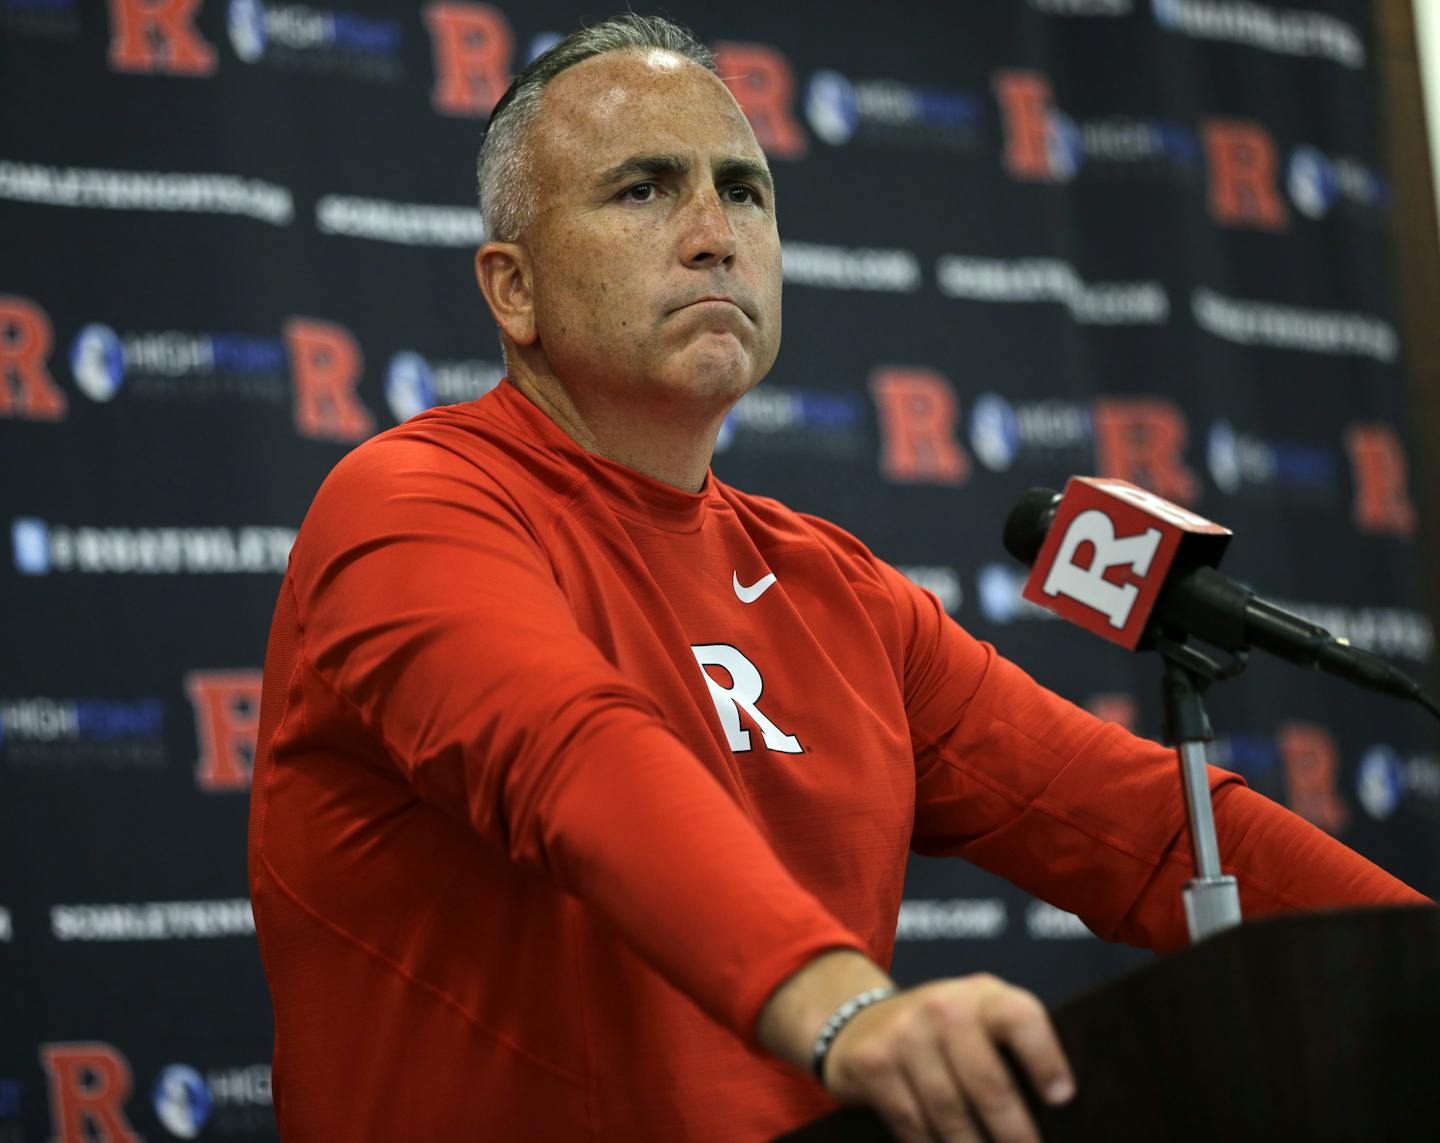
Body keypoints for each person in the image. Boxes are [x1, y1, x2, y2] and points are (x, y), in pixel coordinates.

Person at [246, 14, 1430, 1142]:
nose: (715, 230)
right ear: (513, 287)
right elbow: (571, 755)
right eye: (644, 188)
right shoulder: (409, 502)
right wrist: (847, 1010)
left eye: (745, 190)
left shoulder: (835, 591)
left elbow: (1150, 835)